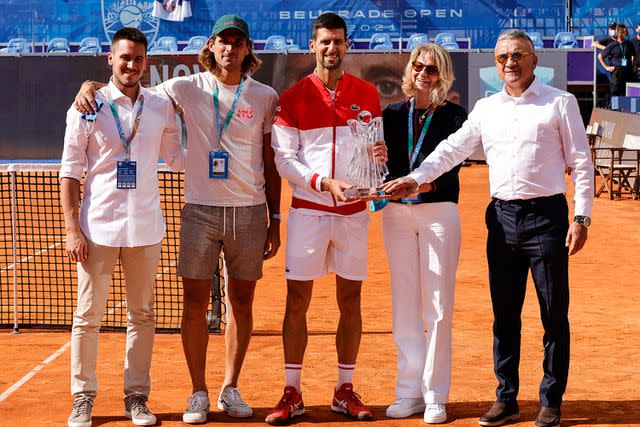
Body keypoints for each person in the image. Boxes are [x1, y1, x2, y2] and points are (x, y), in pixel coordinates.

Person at [380, 29, 594, 427]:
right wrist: (416, 177)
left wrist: (581, 217)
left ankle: (550, 401)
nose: (509, 63)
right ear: (495, 64)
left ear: (533, 59)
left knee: (553, 312)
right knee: (504, 314)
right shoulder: (486, 108)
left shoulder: (559, 103)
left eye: (516, 55)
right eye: (501, 58)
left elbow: (582, 162)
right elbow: (451, 149)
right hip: (501, 219)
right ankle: (506, 398)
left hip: (547, 217)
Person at [75, 14, 281, 424]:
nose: (231, 48)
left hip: (250, 211)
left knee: (242, 303)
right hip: (200, 212)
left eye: (238, 42)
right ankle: (198, 393)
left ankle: (230, 387)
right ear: (212, 45)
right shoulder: (185, 86)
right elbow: (131, 87)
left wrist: (275, 216)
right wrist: (91, 86)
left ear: (247, 49)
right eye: (224, 40)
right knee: (194, 304)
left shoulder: (266, 96)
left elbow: (271, 158)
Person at [266, 12, 387, 425]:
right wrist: (321, 182)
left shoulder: (368, 94)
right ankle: (292, 391)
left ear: (346, 45)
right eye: (324, 42)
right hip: (309, 213)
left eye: (338, 41)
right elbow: (285, 159)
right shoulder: (293, 97)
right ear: (312, 46)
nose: (331, 49)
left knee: (350, 301)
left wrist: (378, 159)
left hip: (354, 214)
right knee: (297, 301)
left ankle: (344, 390)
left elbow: (375, 146)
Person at [61, 27, 186, 427]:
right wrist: (71, 228)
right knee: (87, 316)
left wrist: (201, 132)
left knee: (143, 315)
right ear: (110, 60)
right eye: (124, 57)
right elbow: (69, 170)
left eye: (137, 58)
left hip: (146, 228)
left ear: (146, 61)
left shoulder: (160, 105)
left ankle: (137, 396)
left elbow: (178, 159)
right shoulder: (88, 104)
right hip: (97, 228)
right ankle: (83, 397)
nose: (131, 64)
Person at [381, 43, 467, 424]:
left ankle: (436, 395)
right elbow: (384, 168)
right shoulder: (392, 115)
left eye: (432, 69)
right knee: (404, 306)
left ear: (442, 74)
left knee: (438, 306)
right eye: (418, 66)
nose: (424, 73)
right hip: (397, 216)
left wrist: (421, 186)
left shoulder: (454, 116)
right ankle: (408, 392)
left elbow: (451, 170)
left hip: (438, 212)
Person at [598, 23, 636, 97]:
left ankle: (626, 108)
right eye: (622, 33)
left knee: (628, 92)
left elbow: (634, 55)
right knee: (616, 92)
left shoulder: (629, 44)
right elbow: (600, 56)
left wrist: (633, 65)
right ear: (618, 33)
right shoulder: (612, 45)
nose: (623, 35)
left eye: (625, 33)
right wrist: (606, 67)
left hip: (628, 71)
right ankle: (615, 108)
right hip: (617, 71)